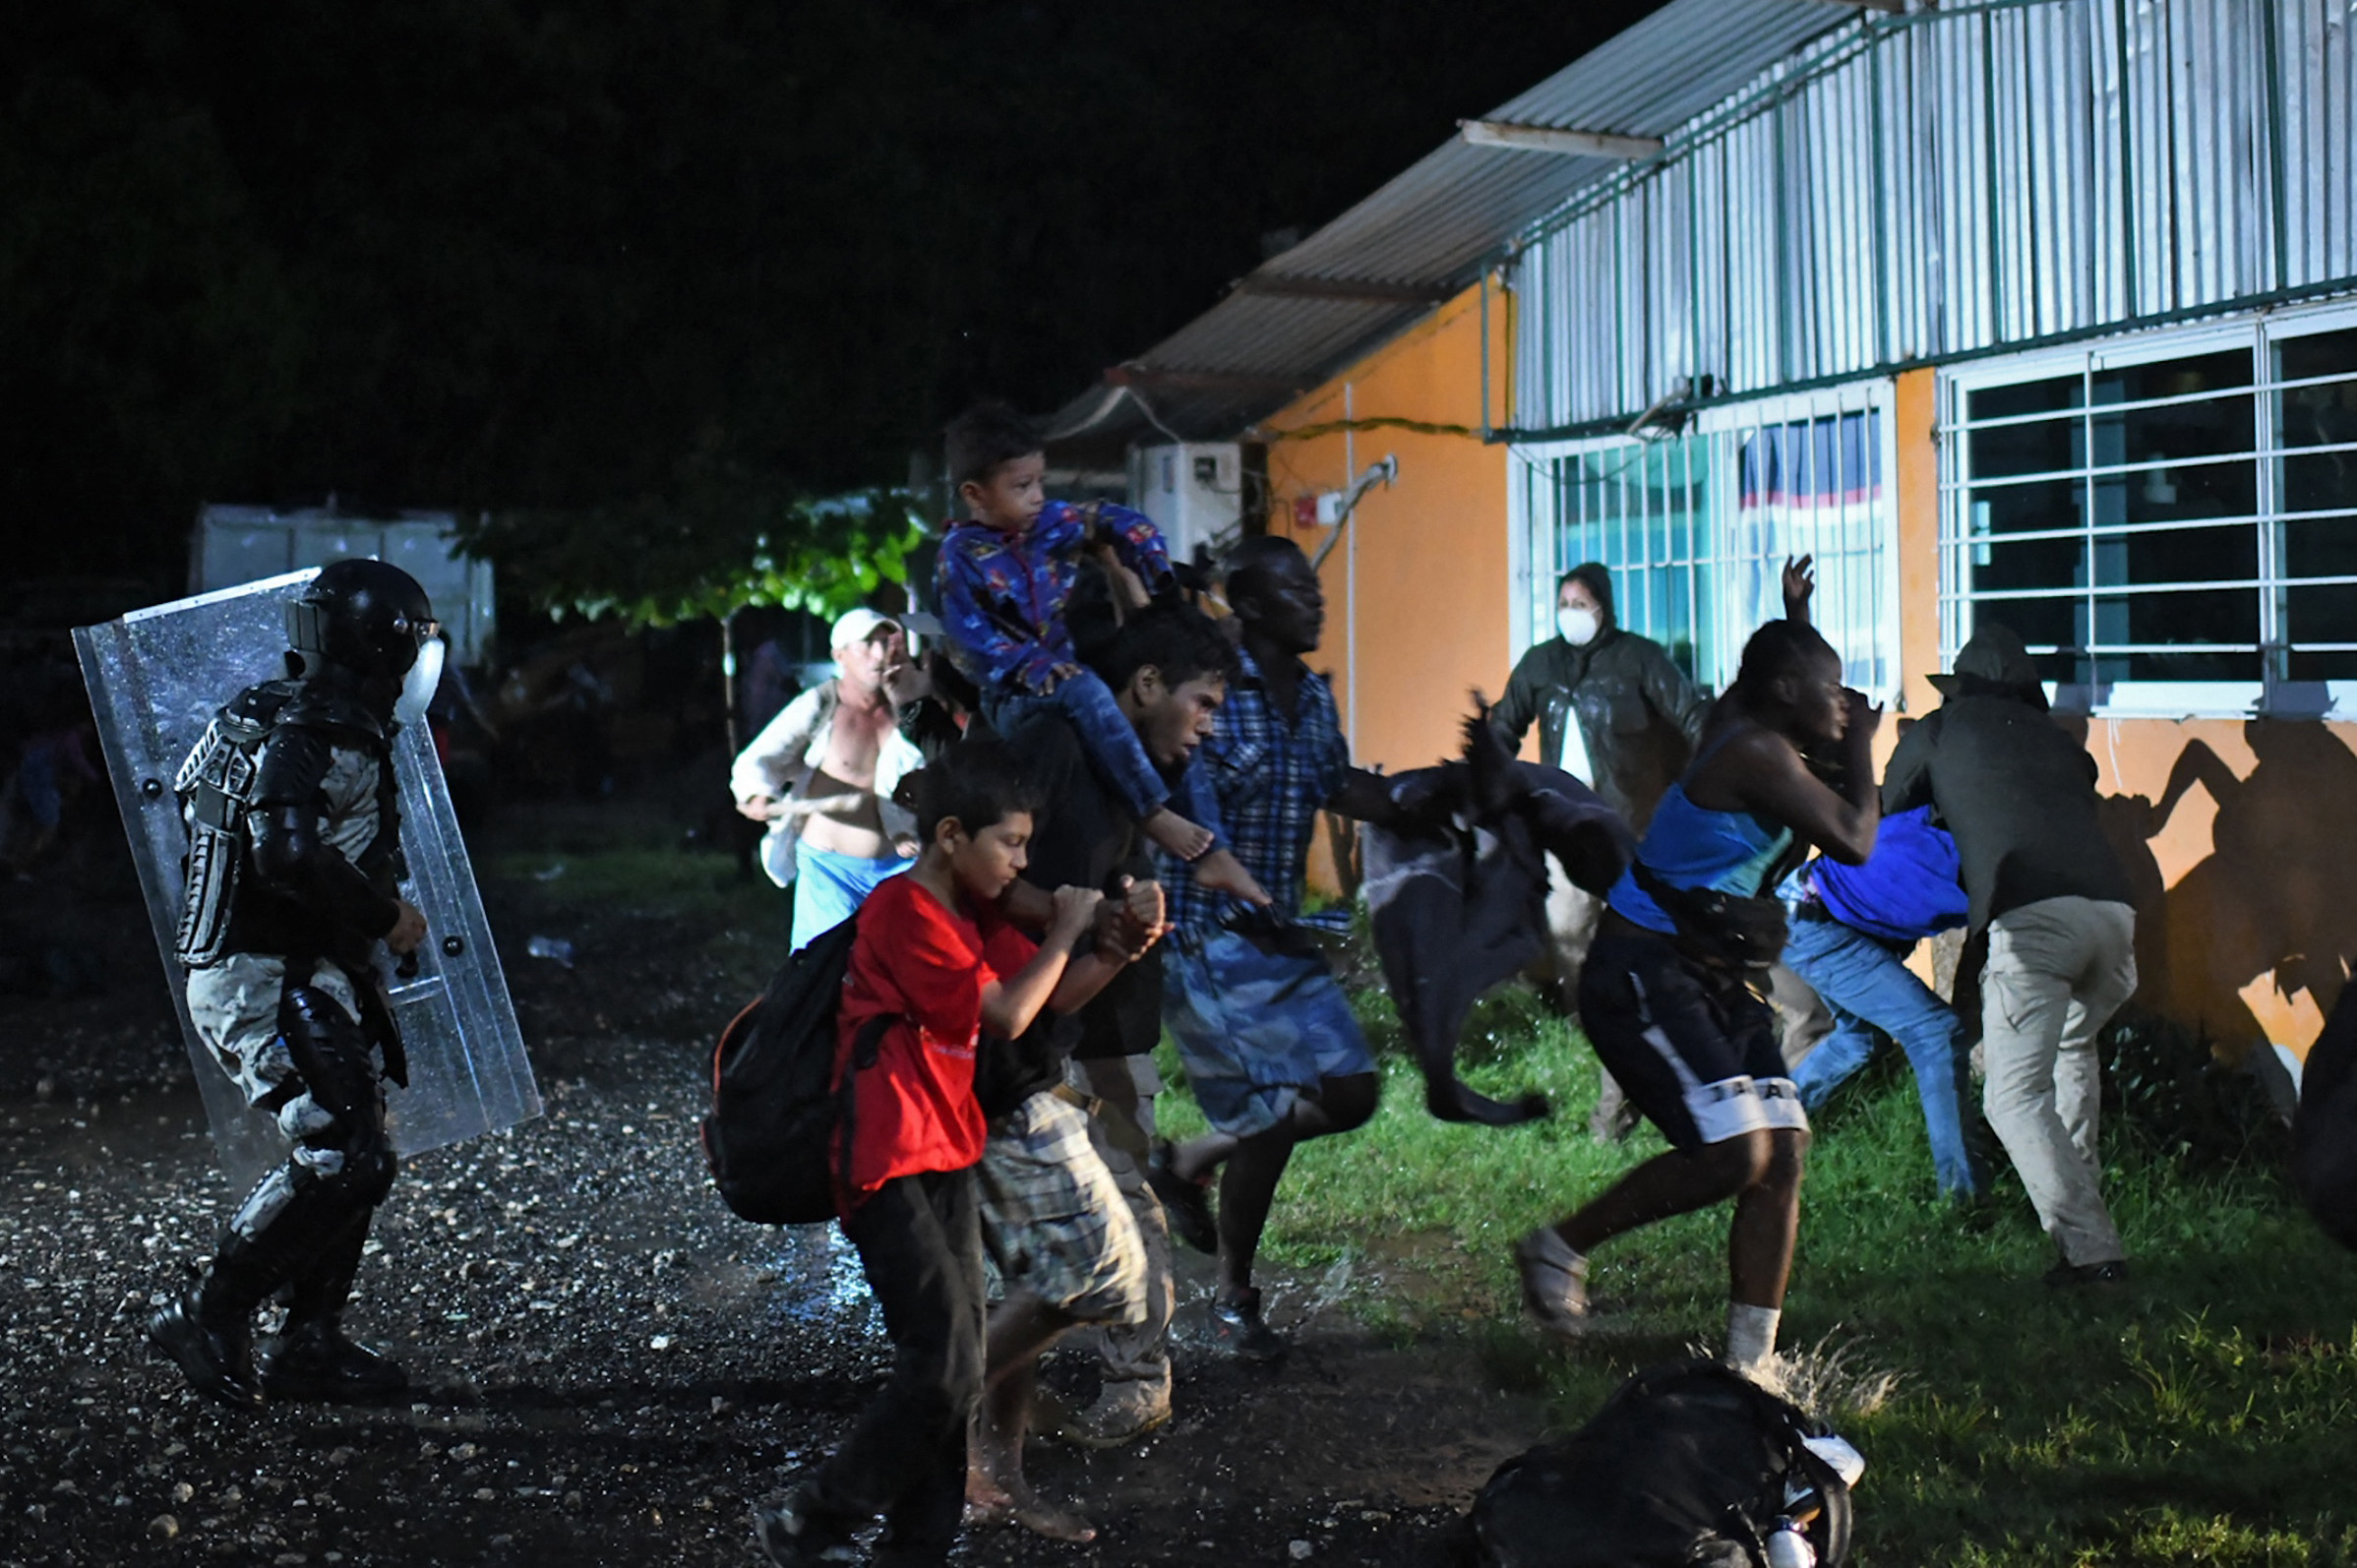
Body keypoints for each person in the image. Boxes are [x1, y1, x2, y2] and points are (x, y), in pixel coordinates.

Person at [753, 743, 1123, 1568]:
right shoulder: (905, 910)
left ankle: (916, 1547)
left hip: (945, 1155)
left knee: (950, 1365)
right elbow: (1007, 1014)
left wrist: (1115, 950)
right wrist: (1069, 925)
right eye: (1011, 843)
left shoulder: (968, 914)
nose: (1022, 862)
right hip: (885, 1162)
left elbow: (1049, 996)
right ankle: (811, 1517)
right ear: (951, 835)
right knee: (946, 1362)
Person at [1519, 615, 1881, 1382]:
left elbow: (1773, 671)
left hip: (1714, 973)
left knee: (1783, 1149)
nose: (1845, 701)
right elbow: (1854, 837)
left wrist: (1796, 617)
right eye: (1831, 688)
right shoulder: (1757, 751)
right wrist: (1862, 746)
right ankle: (1559, 1244)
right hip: (1645, 968)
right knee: (1734, 1154)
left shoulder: (1746, 722)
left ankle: (1750, 1369)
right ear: (1787, 689)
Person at [146, 560, 443, 1408]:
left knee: (360, 1143)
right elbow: (286, 853)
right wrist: (385, 917)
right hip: (264, 973)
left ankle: (309, 1341)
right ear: (380, 645)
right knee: (345, 1151)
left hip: (292, 967)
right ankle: (208, 1312)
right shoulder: (318, 731)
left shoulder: (262, 713)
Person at [966, 605, 1236, 1538]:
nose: (1209, 726)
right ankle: (977, 1417)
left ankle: (1130, 1379)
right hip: (1024, 1010)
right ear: (1146, 684)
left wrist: (1122, 922)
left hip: (1097, 1007)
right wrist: (1077, 920)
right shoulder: (1053, 743)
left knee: (1118, 1185)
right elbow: (992, 871)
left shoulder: (1148, 769)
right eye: (1204, 703)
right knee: (1058, 1207)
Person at [1152, 536, 1413, 1360]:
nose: (1318, 601)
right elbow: (1174, 807)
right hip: (1206, 931)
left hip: (1277, 932)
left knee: (1353, 1092)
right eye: (1298, 591)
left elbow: (1339, 784)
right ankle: (1234, 1302)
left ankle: (1190, 1160)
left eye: (1315, 586)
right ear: (1253, 606)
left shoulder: (1312, 695)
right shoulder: (1214, 694)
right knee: (1268, 1118)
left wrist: (1432, 796)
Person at [1881, 624, 2139, 1286]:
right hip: (2115, 917)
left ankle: (2093, 1254)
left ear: (1960, 688)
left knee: (2011, 1096)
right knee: (2072, 1053)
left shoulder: (1942, 729)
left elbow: (1888, 803)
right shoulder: (2060, 742)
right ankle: (2079, 1215)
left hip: (2034, 921)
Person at [932, 400, 1264, 905]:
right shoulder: (959, 558)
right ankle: (1151, 813)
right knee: (1087, 691)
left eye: (1040, 482)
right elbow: (968, 643)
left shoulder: (1048, 525)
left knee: (1173, 716)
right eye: (1022, 487)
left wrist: (1152, 567)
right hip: (1017, 691)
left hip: (1068, 675)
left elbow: (1115, 520)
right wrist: (1029, 664)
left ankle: (1213, 850)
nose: (1037, 496)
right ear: (975, 495)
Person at [1489, 564, 1708, 1141]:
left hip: (1633, 832)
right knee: (1570, 943)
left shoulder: (1640, 659)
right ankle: (1607, 1045)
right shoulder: (1541, 665)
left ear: (1604, 608)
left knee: (1640, 959)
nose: (1571, 613)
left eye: (1580, 603)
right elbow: (1502, 727)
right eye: (1563, 602)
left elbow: (1693, 718)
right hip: (1567, 830)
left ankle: (1636, 1082)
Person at [1778, 804, 1978, 1200]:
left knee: (1861, 1037)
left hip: (1806, 906)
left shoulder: (1941, 816)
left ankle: (1769, 1129)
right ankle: (1962, 1197)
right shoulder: (1978, 862)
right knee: (1935, 1032)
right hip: (1814, 919)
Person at [731, 607, 925, 951]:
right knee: (824, 969)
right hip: (831, 871)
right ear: (840, 656)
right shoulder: (820, 704)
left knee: (902, 968)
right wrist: (757, 794)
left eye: (884, 643)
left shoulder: (906, 708)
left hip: (900, 870)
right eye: (867, 644)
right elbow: (758, 759)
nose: (878, 654)